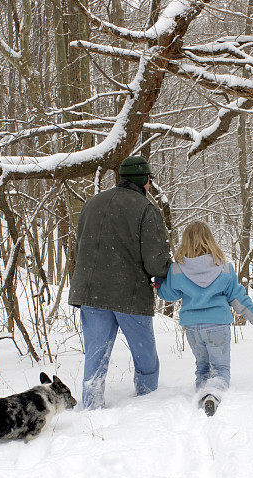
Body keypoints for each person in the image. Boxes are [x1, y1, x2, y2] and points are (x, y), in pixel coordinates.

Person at [68, 156, 171, 409]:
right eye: (149, 180)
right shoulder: (146, 209)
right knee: (144, 355)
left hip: (91, 293)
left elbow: (80, 246)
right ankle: (148, 403)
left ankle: (92, 406)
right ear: (145, 181)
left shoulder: (92, 203)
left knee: (95, 356)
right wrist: (167, 273)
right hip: (130, 295)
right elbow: (156, 263)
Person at [155, 221, 253, 416]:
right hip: (217, 326)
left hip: (192, 327)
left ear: (185, 241)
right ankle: (213, 395)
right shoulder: (224, 268)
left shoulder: (177, 269)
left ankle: (202, 394)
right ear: (210, 239)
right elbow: (238, 298)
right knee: (221, 369)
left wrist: (160, 283)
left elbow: (169, 295)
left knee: (202, 368)